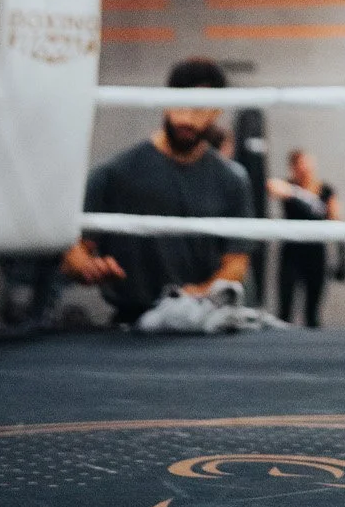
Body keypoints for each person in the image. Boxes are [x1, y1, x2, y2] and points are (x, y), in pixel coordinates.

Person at [61, 59, 254, 326]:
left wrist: (197, 294)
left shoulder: (232, 180)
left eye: (199, 108)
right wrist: (86, 268)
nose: (186, 117)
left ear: (217, 111)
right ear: (165, 99)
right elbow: (73, 253)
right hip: (130, 325)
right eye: (179, 104)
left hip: (202, 321)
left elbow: (236, 263)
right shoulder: (115, 172)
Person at [267, 148, 339, 328]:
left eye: (308, 163)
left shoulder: (326, 189)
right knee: (284, 310)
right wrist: (299, 195)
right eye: (301, 164)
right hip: (292, 253)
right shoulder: (286, 185)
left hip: (316, 253)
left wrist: (342, 256)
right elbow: (272, 186)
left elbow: (336, 219)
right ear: (293, 167)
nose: (305, 168)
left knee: (312, 313)